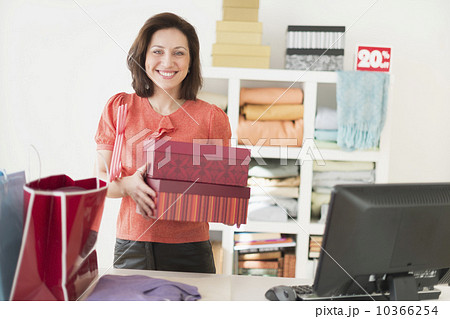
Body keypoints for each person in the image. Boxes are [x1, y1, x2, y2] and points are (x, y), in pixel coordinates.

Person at [95, 12, 231, 273]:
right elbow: (99, 181)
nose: (167, 61)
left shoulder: (212, 117)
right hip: (132, 244)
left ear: (191, 62)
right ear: (143, 56)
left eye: (179, 53)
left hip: (191, 248)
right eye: (157, 51)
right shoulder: (120, 107)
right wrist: (127, 185)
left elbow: (221, 191)